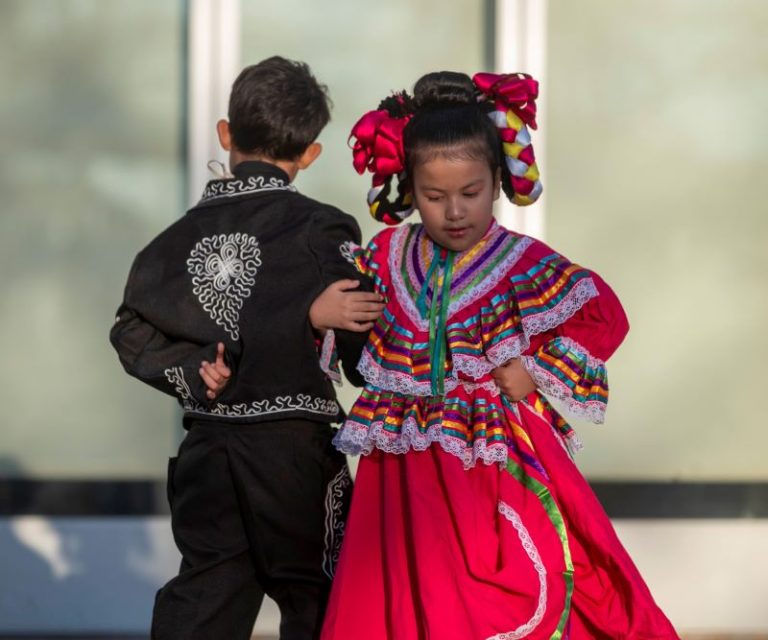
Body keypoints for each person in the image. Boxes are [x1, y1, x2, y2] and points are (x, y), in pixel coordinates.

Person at [320, 71, 679, 639]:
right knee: (399, 602)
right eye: (434, 197)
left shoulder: (521, 260)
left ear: (498, 182)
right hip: (399, 469)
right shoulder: (385, 254)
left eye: (471, 192)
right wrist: (323, 317)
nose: (455, 211)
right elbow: (349, 337)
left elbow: (604, 314)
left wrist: (534, 370)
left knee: (494, 598)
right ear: (409, 189)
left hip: (489, 465)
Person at [110, 56, 383, 640]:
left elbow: (130, 330)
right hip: (295, 457)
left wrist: (190, 370)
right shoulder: (323, 230)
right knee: (320, 602)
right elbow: (361, 333)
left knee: (205, 601)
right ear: (309, 154)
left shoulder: (174, 240)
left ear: (226, 135)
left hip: (209, 453)